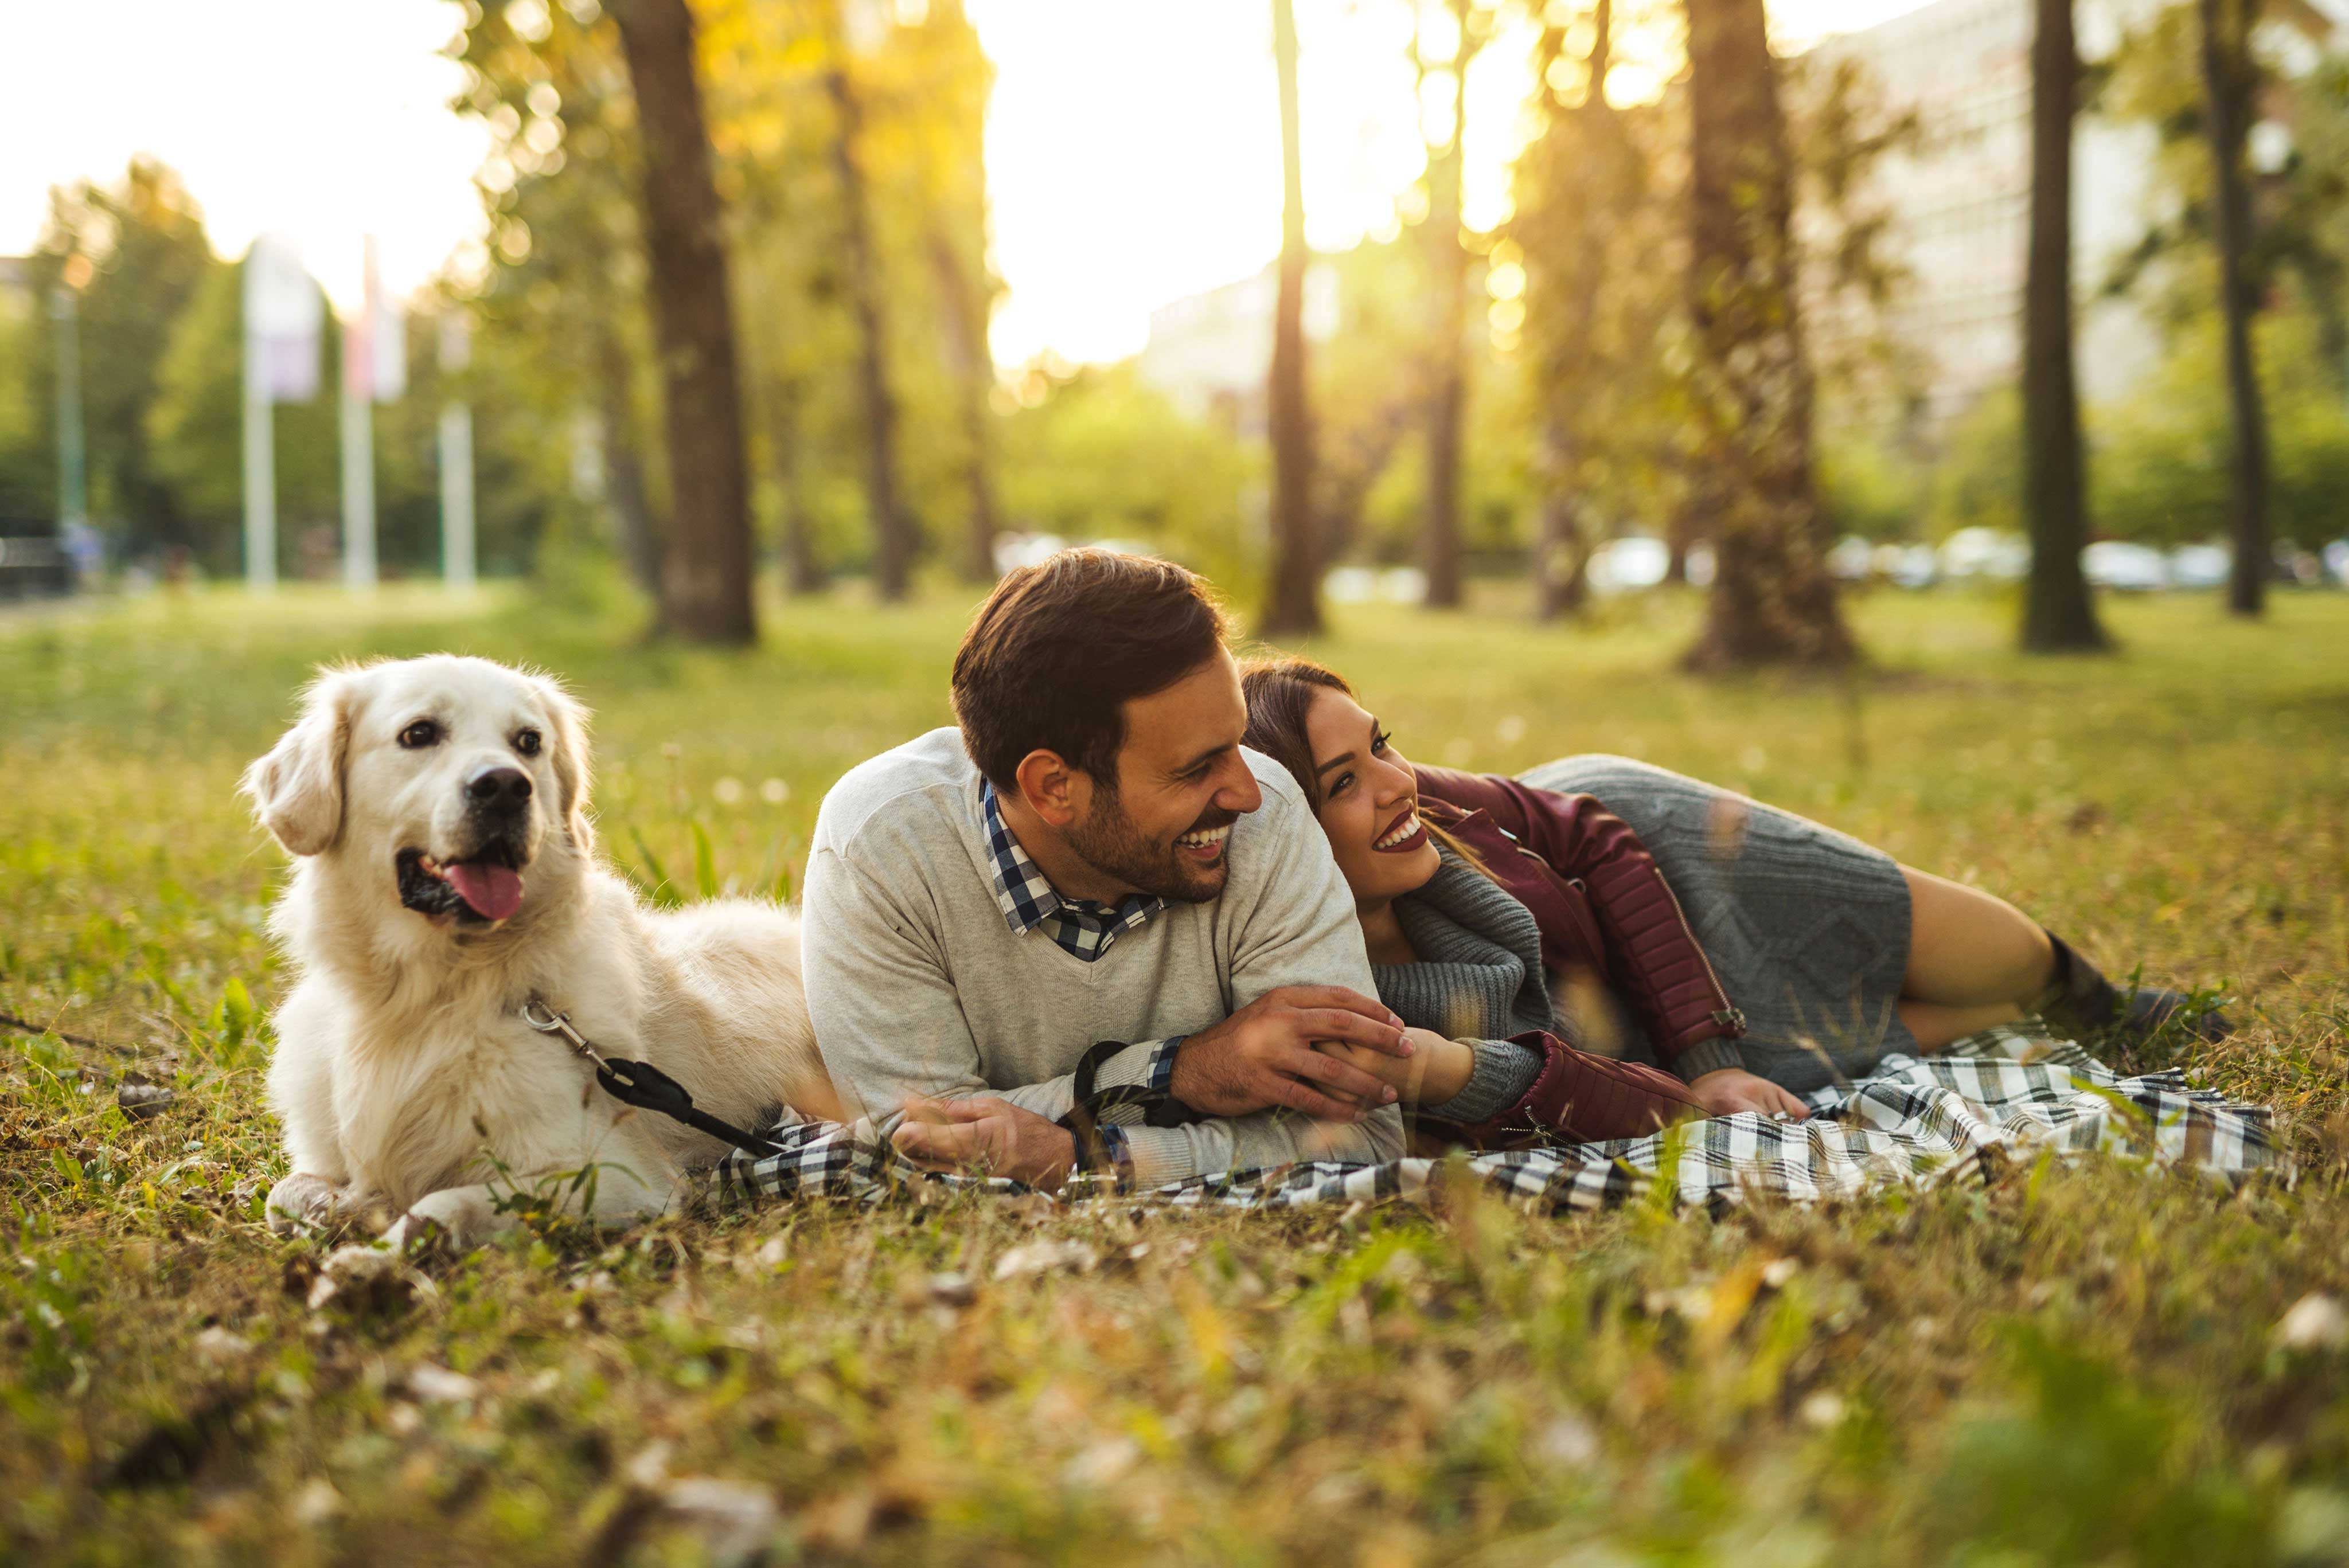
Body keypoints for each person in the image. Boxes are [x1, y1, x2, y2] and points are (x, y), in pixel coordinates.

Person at [1239, 657, 2225, 1134]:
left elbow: (1594, 834)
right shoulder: (1316, 983)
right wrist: (1691, 1078)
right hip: (1637, 1042)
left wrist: (1709, 1054)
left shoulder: (1426, 803)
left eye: (1383, 741)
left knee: (2007, 953)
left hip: (1668, 878)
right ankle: (2050, 1018)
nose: (1396, 782)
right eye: (1343, 783)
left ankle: (2098, 997)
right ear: (1286, 833)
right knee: (1915, 1029)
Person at [798, 552, 1412, 1191]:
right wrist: (1177, 1073)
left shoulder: (1268, 814)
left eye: (1240, 742)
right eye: (1197, 767)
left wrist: (1093, 1157)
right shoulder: (881, 844)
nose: (1246, 790)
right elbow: (920, 1140)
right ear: (1054, 786)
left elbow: (1359, 1137)